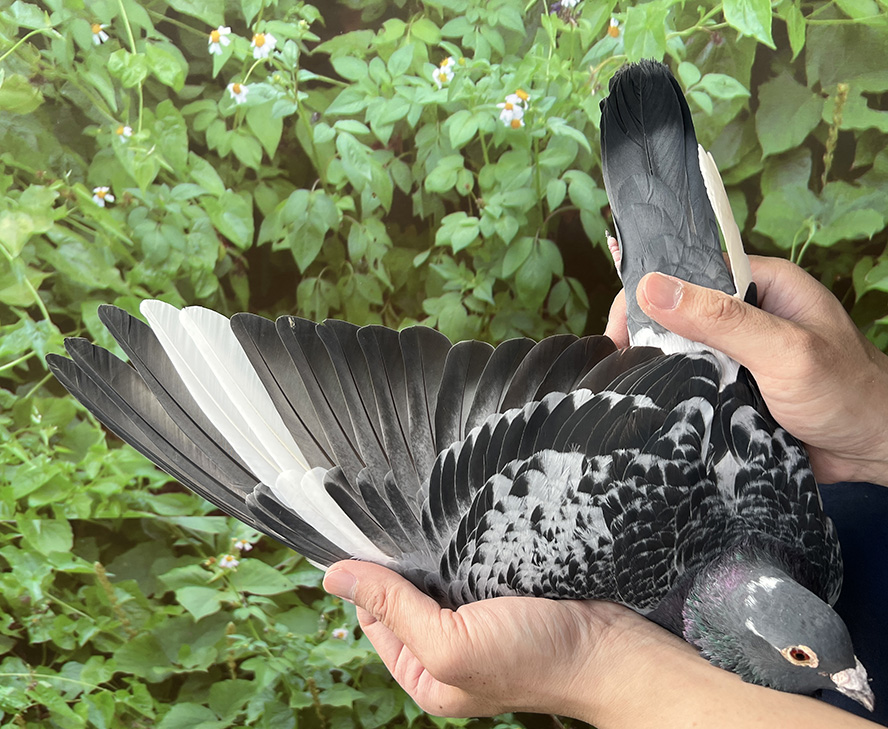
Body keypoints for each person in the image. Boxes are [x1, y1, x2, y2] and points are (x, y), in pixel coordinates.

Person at [322, 255, 888, 728]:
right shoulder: (649, 561)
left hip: (728, 374)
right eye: (803, 656)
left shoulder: (817, 560)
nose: (857, 681)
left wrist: (590, 663)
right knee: (454, 569)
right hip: (719, 355)